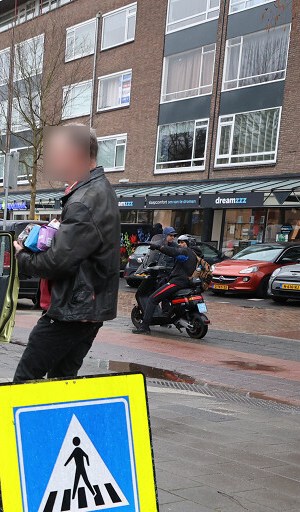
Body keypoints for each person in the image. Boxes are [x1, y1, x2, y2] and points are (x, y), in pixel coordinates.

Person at [13, 123, 120, 381]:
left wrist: (21, 256)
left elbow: (57, 262)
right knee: (63, 380)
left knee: (25, 380)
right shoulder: (97, 191)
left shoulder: (84, 200)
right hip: (86, 310)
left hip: (71, 313)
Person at [134, 230, 198, 334]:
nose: (179, 244)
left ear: (188, 244)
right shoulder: (194, 254)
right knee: (162, 288)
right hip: (185, 282)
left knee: (152, 299)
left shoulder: (185, 252)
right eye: (179, 242)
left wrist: (158, 247)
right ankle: (166, 316)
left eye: (182, 243)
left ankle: (145, 326)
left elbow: (173, 252)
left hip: (177, 282)